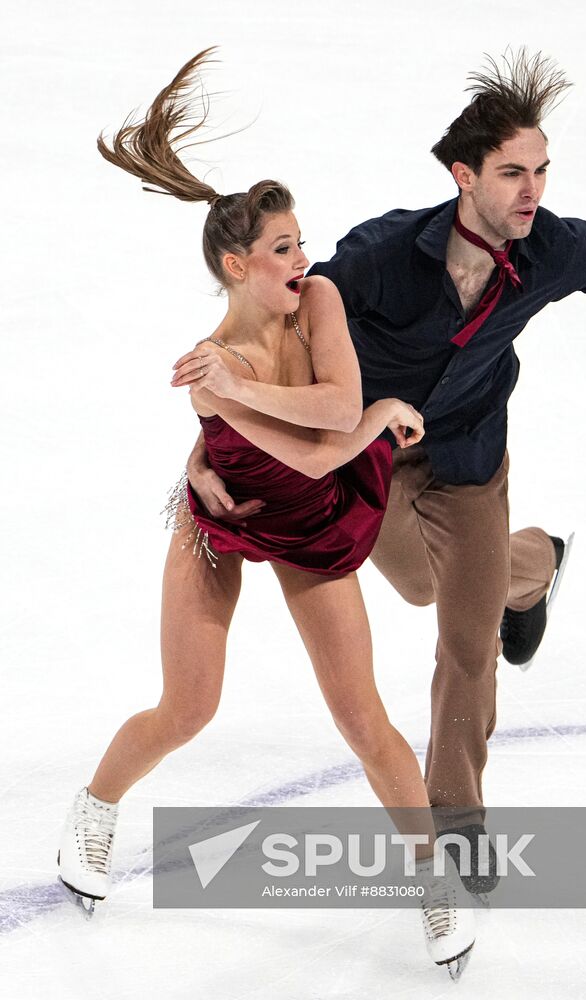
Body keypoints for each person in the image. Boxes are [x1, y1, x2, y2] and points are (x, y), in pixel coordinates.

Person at [187, 48, 586, 893]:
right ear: (464, 176)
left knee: (465, 642)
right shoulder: (378, 258)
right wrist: (208, 444)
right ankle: (532, 567)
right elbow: (269, 350)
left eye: (539, 170)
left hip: (467, 454)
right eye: (510, 173)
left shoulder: (551, 250)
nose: (531, 190)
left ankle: (456, 817)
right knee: (423, 588)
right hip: (369, 457)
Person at [57, 49, 475, 980]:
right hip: (220, 522)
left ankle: (432, 882)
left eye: (300, 241)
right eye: (283, 249)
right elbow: (326, 439)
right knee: (187, 708)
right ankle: (94, 809)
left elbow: (334, 413)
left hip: (311, 522)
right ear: (238, 265)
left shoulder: (315, 300)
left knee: (363, 718)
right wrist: (252, 414)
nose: (304, 258)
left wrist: (344, 409)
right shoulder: (207, 369)